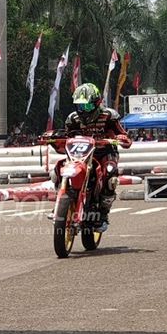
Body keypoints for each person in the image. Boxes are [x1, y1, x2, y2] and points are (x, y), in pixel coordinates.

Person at [48, 83, 132, 232]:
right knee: (57, 170)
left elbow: (124, 136)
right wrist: (53, 138)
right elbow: (66, 136)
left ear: (97, 103)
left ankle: (103, 214)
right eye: (80, 106)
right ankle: (59, 202)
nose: (83, 110)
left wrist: (122, 138)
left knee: (110, 174)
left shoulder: (109, 116)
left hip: (104, 153)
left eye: (86, 107)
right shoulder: (73, 118)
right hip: (79, 155)